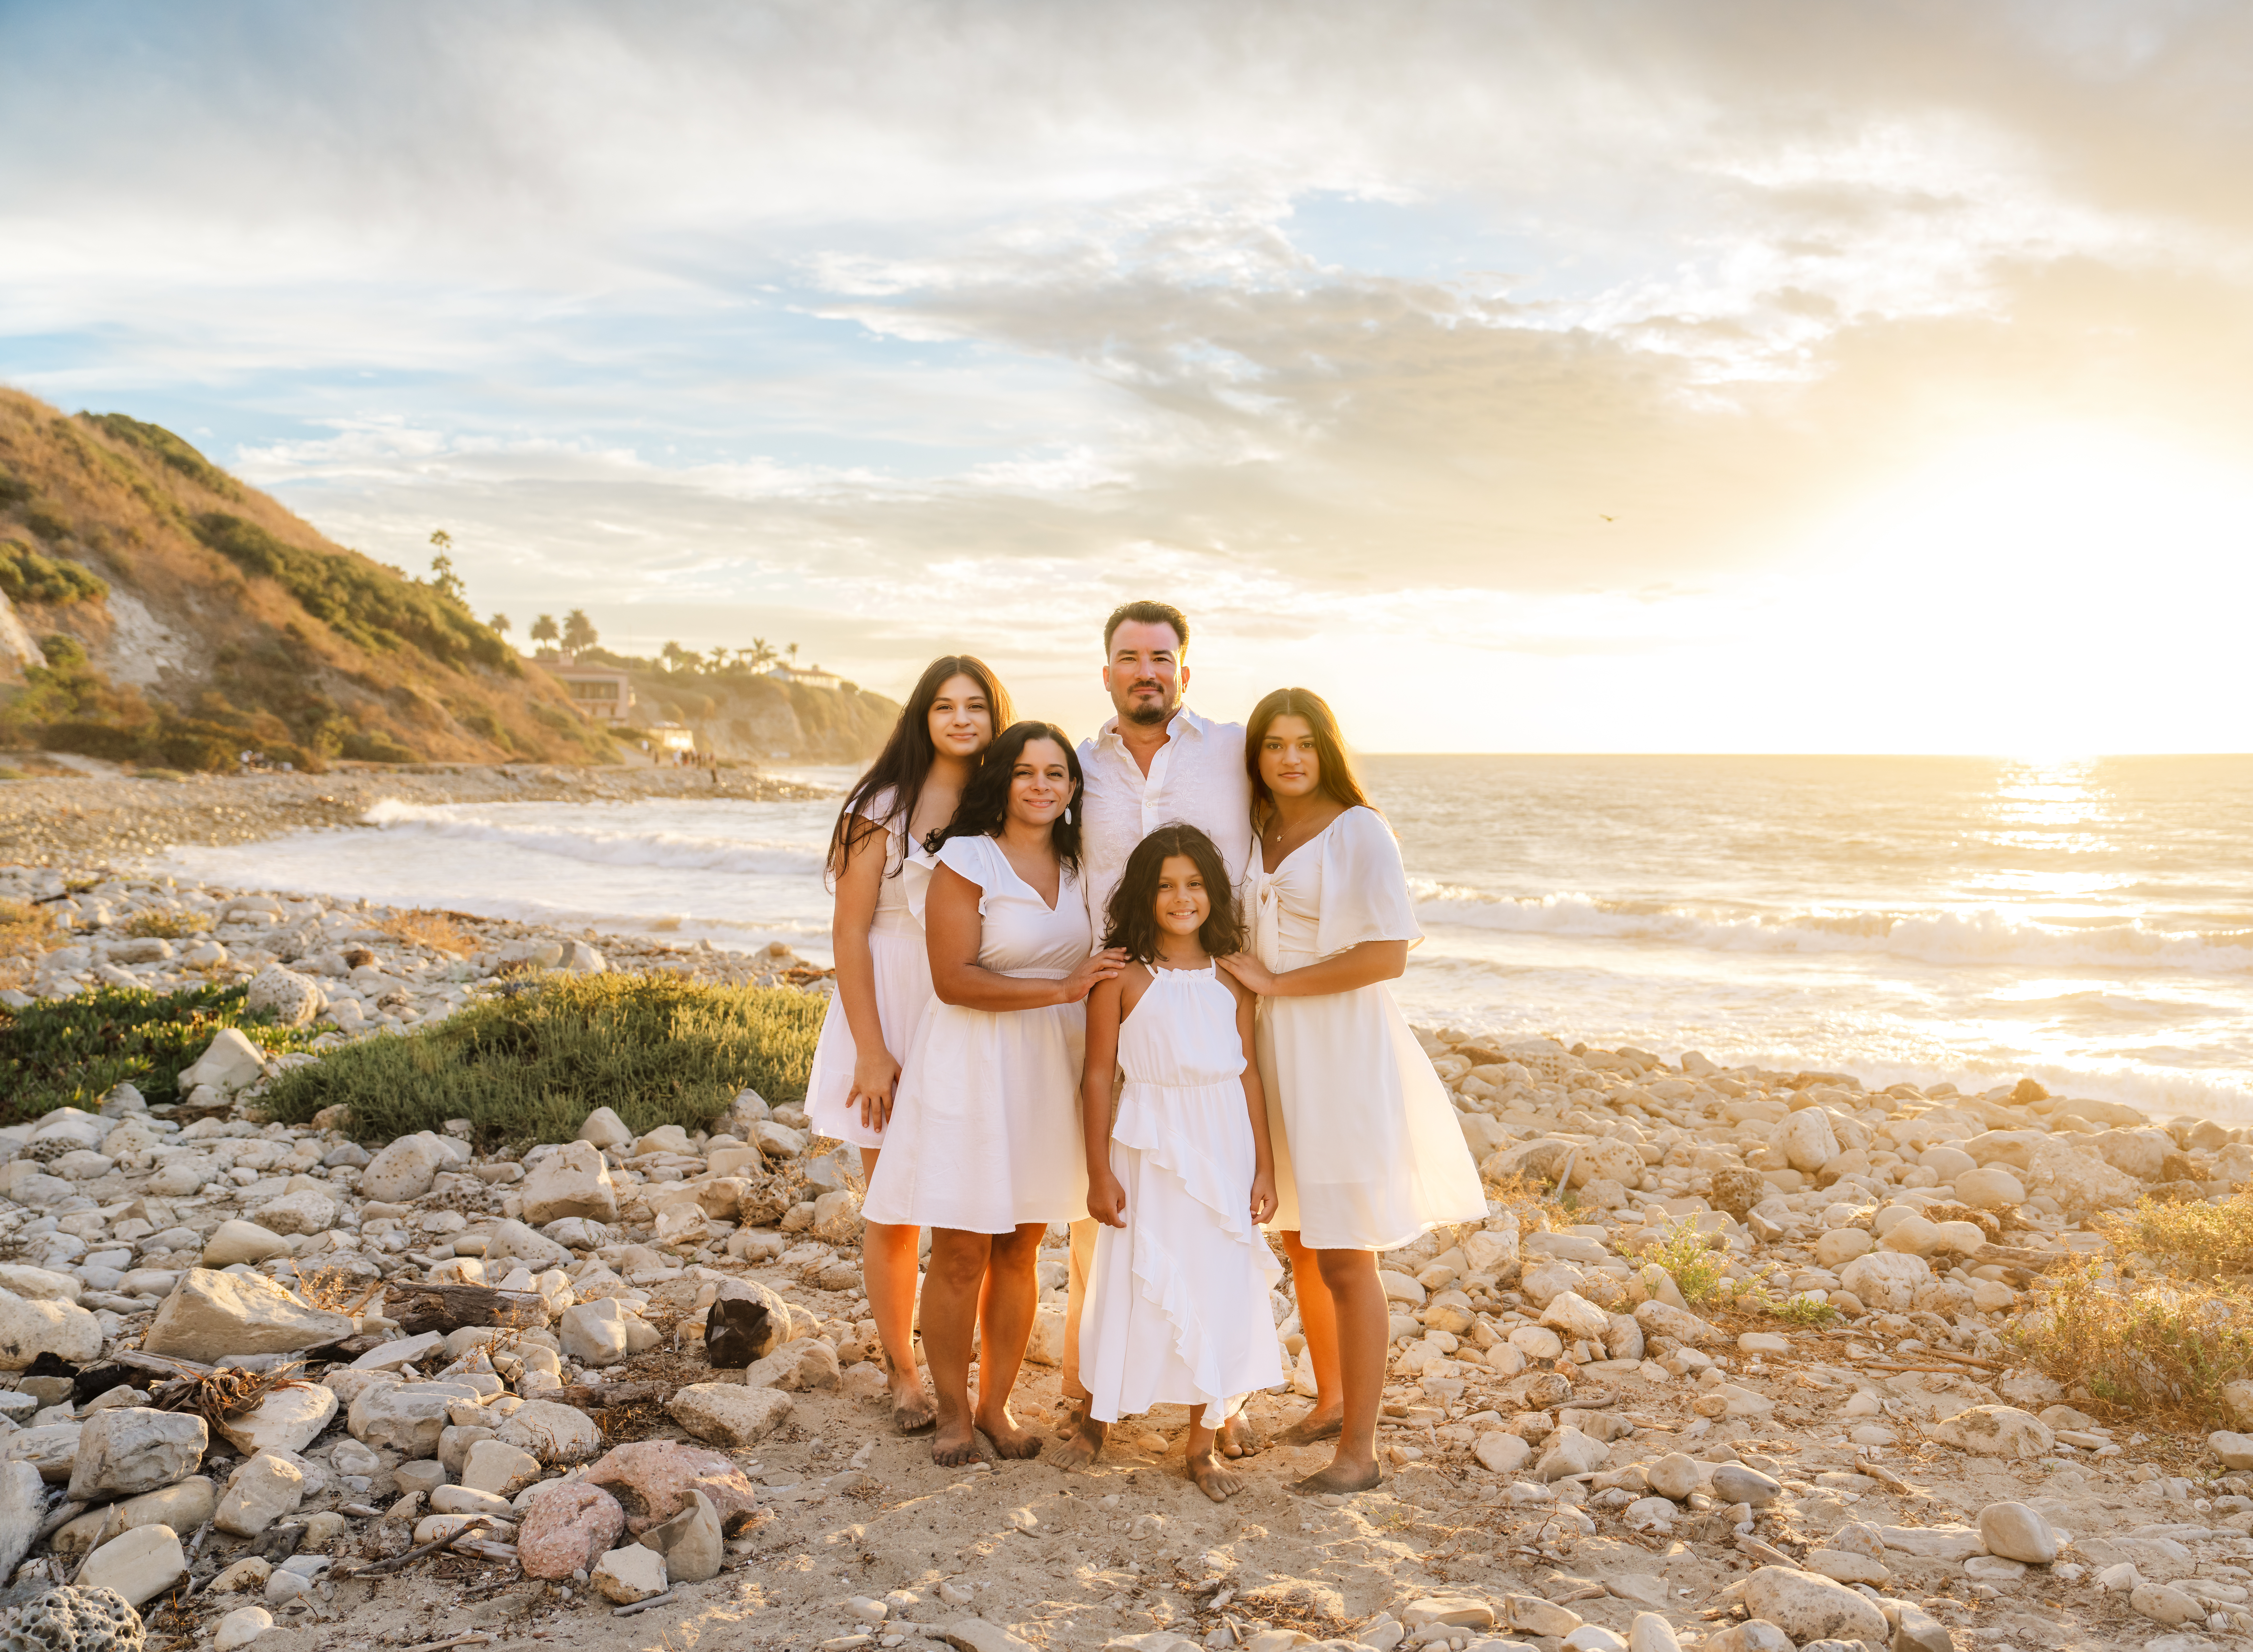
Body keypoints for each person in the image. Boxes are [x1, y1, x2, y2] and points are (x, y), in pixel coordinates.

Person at [1218, 687, 1486, 1495]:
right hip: (1272, 1048)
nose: (1289, 758)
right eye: (1274, 745)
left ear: (1326, 749)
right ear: (1257, 756)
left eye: (1304, 743)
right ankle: (1329, 1399)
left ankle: (1359, 1452)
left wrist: (1275, 980)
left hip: (1337, 1051)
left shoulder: (1358, 830)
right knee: (1300, 1237)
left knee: (1344, 1250)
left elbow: (1386, 956)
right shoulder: (1258, 828)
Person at [862, 722, 1124, 1466]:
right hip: (972, 1065)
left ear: (1073, 789)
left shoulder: (1080, 866)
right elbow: (953, 977)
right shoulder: (968, 857)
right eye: (1026, 771)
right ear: (1002, 782)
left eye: (1057, 773)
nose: (1042, 785)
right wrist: (1063, 986)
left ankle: (995, 1404)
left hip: (1049, 1065)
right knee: (959, 1250)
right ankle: (949, 1409)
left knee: (1021, 1247)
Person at [1057, 599, 1254, 1470]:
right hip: (1110, 989)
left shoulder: (1231, 749)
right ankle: (1098, 1390)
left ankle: (1219, 1397)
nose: (1147, 670)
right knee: (1102, 1222)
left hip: (1209, 998)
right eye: (1130, 657)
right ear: (1106, 672)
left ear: (1185, 669)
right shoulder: (1076, 765)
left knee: (1214, 1245)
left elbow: (1296, 797)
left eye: (1162, 657)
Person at [803, 656, 1011, 1431]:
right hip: (890, 1002)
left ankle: (982, 1384)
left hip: (970, 1008)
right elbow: (850, 931)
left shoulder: (1000, 799)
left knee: (979, 1207)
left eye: (976, 706)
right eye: (945, 706)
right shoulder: (882, 804)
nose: (961, 719)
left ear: (996, 716)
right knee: (894, 1209)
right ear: (922, 715)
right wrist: (870, 1047)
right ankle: (902, 1371)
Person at [1078, 823, 1283, 1502]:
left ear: (1212, 892)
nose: (1181, 896)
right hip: (1148, 1145)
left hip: (1223, 1141)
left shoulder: (1232, 975)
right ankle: (1097, 1415)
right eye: (1165, 884)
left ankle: (1202, 1443)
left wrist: (1265, 1168)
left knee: (1219, 1280)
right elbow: (1097, 1077)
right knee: (1134, 1275)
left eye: (1194, 882)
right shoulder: (1122, 974)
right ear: (1144, 893)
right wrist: (1097, 1170)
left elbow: (1248, 1073)